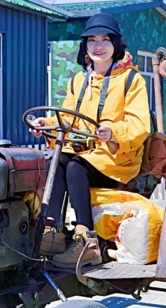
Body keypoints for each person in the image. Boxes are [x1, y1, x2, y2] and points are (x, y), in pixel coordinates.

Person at [29, 13, 151, 268]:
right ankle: (53, 231)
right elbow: (67, 118)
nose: (98, 46)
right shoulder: (79, 80)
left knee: (74, 166)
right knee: (59, 159)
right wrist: (47, 124)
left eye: (105, 40)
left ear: (116, 44)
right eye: (92, 40)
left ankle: (86, 240)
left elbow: (140, 126)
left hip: (118, 159)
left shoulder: (131, 80)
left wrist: (113, 131)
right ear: (85, 46)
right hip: (88, 154)